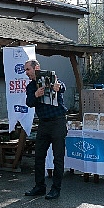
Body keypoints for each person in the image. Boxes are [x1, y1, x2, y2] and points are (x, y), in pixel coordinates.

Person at [24, 59, 67, 200]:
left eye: (28, 70)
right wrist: (36, 95)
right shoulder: (31, 86)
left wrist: (58, 88)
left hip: (57, 121)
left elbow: (63, 87)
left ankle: (56, 189)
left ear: (36, 68)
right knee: (39, 156)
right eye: (25, 70)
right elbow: (29, 102)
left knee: (58, 157)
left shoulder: (52, 78)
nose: (26, 73)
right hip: (43, 123)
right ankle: (40, 186)